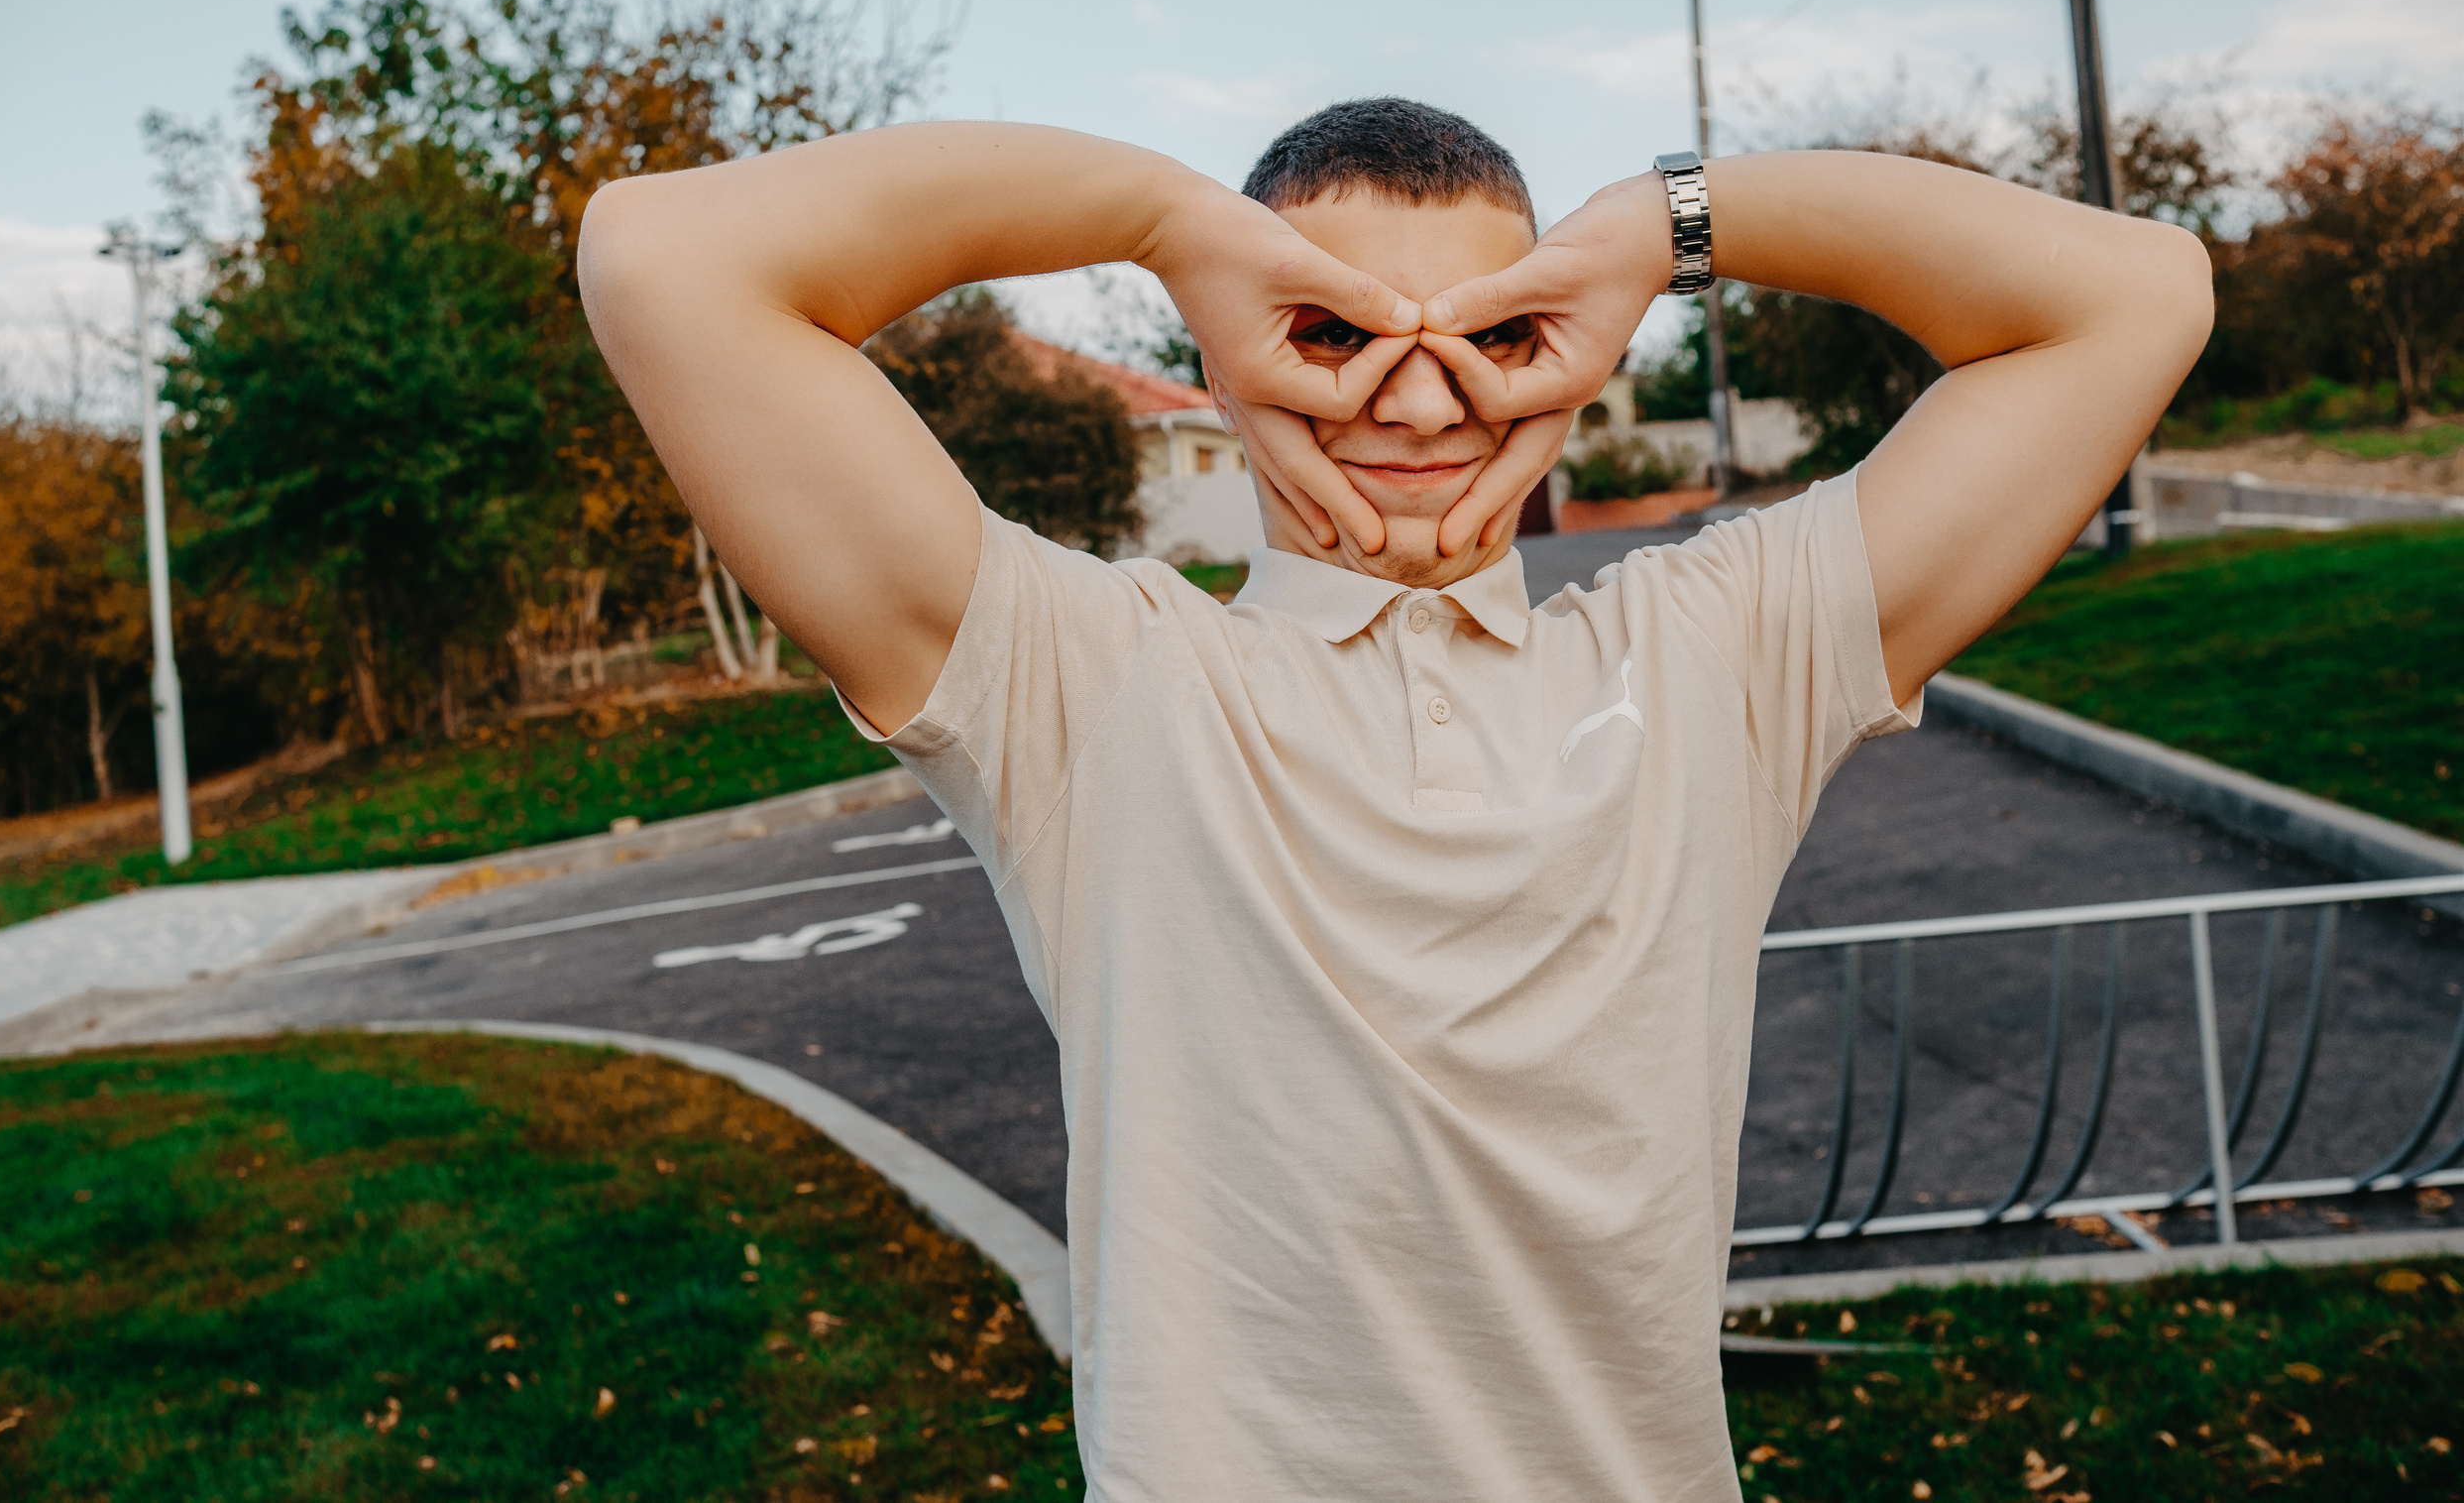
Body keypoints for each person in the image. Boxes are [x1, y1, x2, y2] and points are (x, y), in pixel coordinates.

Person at [577, 98, 2211, 1501]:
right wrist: (1160, 220)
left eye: (1498, 338)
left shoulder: (1715, 654)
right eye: (1336, 336)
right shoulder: (1088, 680)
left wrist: (1664, 225)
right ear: (1226, 360)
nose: (1424, 406)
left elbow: (2136, 296)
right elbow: (668, 259)